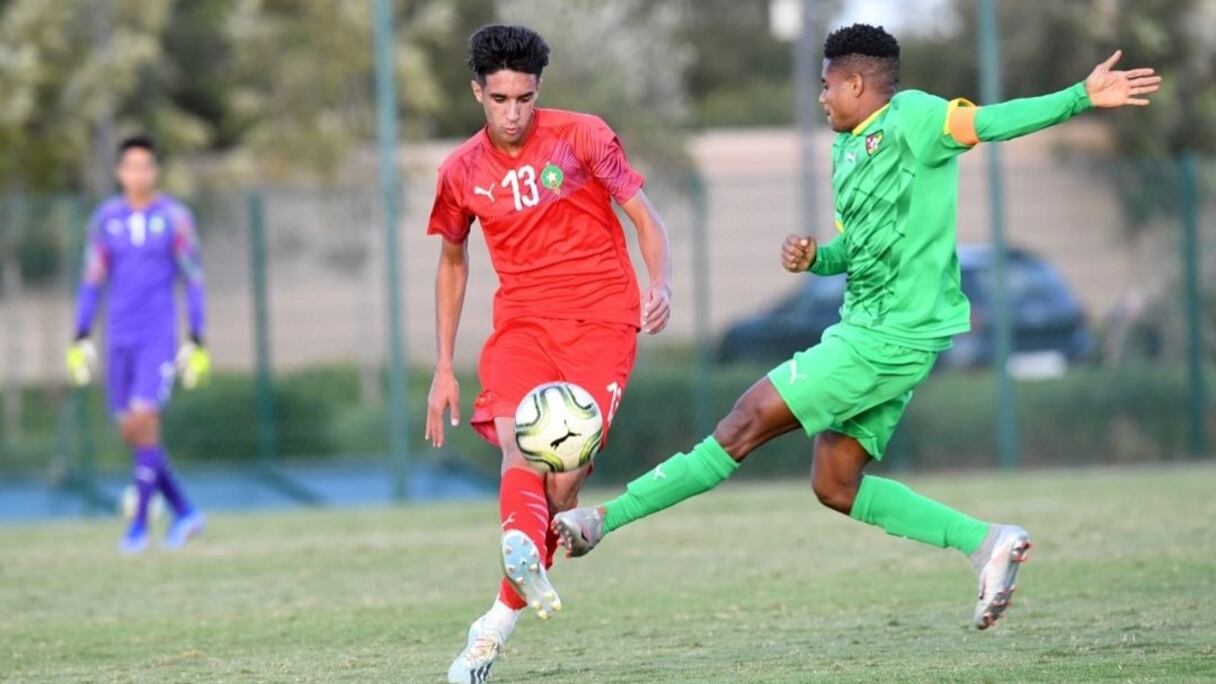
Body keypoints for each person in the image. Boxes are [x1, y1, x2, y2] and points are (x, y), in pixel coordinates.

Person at [554, 23, 1161, 631]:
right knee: (836, 483)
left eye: (826, 86)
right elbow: (857, 248)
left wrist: (1080, 96)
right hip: (877, 334)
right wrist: (816, 257)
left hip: (885, 338)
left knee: (741, 424)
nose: (821, 98)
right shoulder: (845, 150)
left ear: (854, 83)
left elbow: (993, 122)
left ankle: (603, 519)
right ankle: (986, 542)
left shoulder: (916, 117)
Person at [425, 24, 672, 683]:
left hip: (602, 321)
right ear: (477, 93)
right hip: (524, 325)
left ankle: (495, 618)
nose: (513, 113)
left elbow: (645, 217)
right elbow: (453, 263)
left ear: (538, 91)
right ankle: (510, 563)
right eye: (499, 99)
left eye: (524, 98)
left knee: (562, 485)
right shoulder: (460, 172)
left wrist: (661, 284)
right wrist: (444, 366)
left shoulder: (584, 137)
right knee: (519, 446)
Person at [66, 135, 211, 554]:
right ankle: (185, 511)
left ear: (156, 171)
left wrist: (197, 336)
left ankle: (138, 527)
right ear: (119, 172)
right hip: (118, 336)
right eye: (131, 166)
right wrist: (80, 334)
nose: (138, 174)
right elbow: (92, 279)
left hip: (157, 336)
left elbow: (193, 278)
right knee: (130, 429)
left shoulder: (175, 218)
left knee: (146, 418)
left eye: (146, 166)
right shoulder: (105, 219)